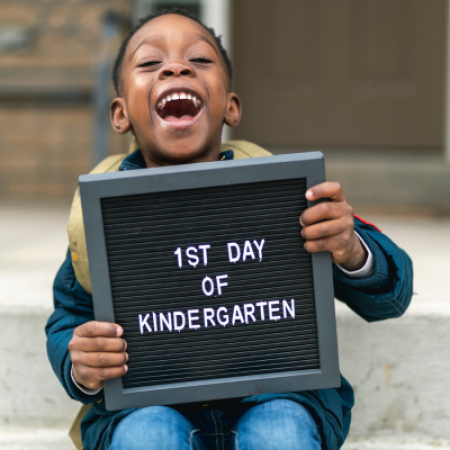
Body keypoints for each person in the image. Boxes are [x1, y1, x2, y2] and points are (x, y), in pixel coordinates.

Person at [45, 8, 413, 450]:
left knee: (281, 434)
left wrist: (351, 250)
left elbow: (390, 297)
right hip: (147, 403)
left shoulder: (288, 195)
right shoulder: (102, 219)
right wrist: (79, 362)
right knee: (147, 437)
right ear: (120, 114)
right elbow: (70, 316)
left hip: (281, 394)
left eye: (199, 60)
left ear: (231, 107)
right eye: (149, 63)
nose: (176, 66)